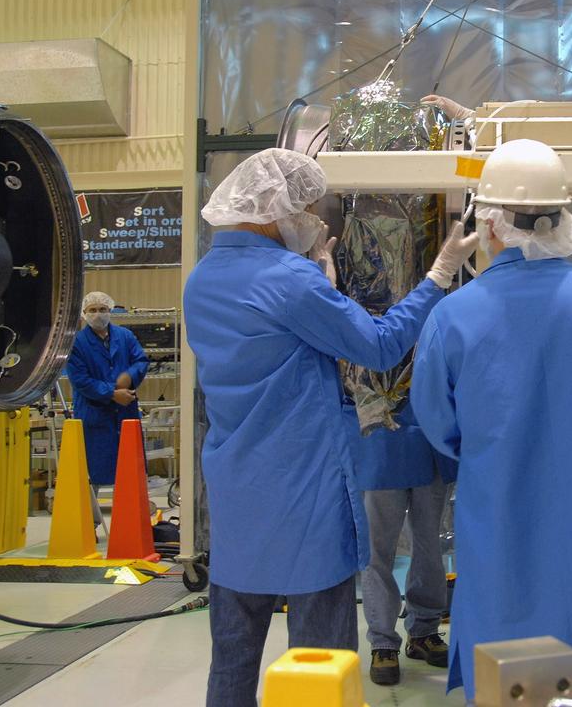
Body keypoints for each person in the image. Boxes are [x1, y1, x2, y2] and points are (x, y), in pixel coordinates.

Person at [183, 148, 477, 707]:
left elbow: (274, 350)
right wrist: (437, 276)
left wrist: (324, 290)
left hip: (237, 496)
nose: (316, 221)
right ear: (273, 211)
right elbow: (381, 345)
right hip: (304, 496)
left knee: (233, 659)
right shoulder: (289, 279)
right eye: (308, 209)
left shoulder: (202, 280)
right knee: (319, 669)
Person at [411, 138, 572, 698]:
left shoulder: (453, 315)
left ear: (489, 225)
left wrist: (495, 445)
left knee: (504, 658)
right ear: (564, 217)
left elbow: (438, 425)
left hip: (498, 511)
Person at [356, 402, 457, 686]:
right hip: (382, 436)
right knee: (378, 548)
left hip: (432, 436)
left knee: (429, 545)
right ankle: (383, 642)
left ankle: (424, 631)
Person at [65, 291, 149, 498]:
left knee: (130, 466)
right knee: (92, 470)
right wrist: (112, 393)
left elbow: (141, 361)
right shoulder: (76, 343)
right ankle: (90, 515)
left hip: (125, 411)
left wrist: (129, 376)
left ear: (110, 310)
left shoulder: (125, 336)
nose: (98, 314)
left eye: (102, 309)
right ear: (84, 313)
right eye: (92, 310)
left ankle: (131, 512)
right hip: (94, 412)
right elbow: (80, 380)